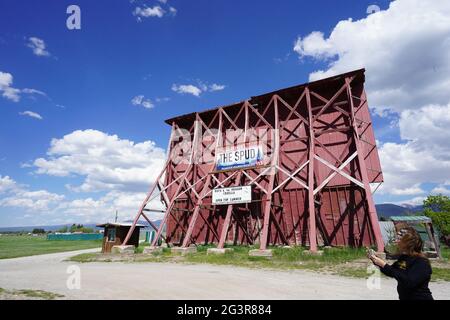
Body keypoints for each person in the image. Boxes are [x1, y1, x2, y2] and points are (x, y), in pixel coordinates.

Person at [369, 226, 434, 300]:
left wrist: (383, 264)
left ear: (407, 242)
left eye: (399, 238)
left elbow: (409, 282)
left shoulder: (421, 262)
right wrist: (376, 260)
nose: (395, 241)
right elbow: (392, 272)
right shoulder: (404, 258)